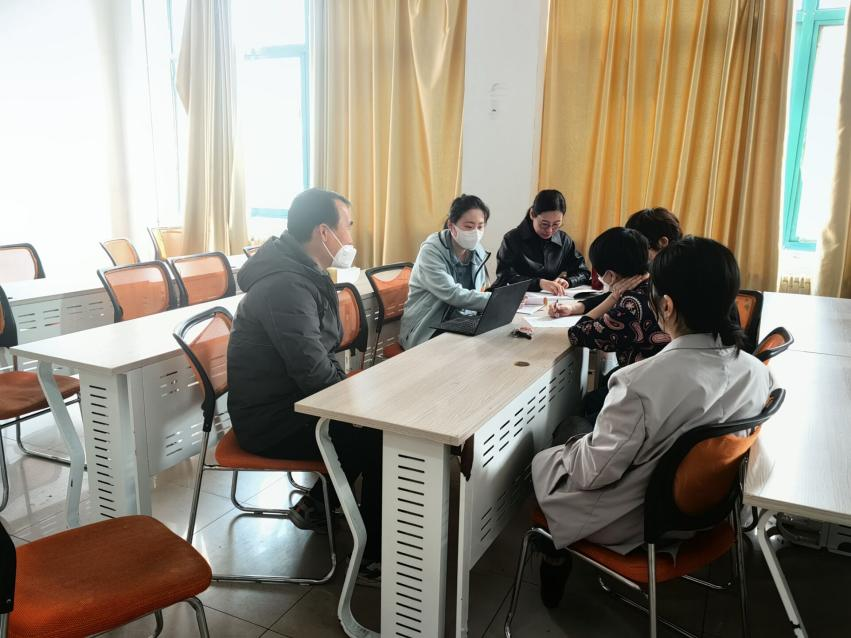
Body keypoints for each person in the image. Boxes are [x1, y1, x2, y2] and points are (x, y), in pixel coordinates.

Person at [531, 236, 774, 607]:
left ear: (667, 305)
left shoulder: (639, 382)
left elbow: (593, 474)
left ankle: (553, 550)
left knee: (558, 443)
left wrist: (566, 450)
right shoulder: (757, 372)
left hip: (639, 521)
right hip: (710, 514)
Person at [226, 188, 382, 586]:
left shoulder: (304, 273)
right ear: (322, 232)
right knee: (378, 437)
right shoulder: (285, 286)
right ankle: (375, 556)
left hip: (291, 402)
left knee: (373, 424)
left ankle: (317, 504)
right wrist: (359, 406)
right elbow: (313, 372)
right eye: (347, 227)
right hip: (269, 420)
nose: (350, 238)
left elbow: (318, 359)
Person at [399, 194, 492, 349]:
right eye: (469, 226)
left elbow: (481, 289)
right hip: (426, 329)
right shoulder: (431, 251)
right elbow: (453, 294)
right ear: (451, 225)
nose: (475, 232)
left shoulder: (477, 251)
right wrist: (494, 301)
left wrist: (503, 298)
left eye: (480, 227)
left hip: (460, 323)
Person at [493, 189, 591, 295]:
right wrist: (539, 283)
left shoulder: (563, 240)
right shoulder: (512, 239)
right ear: (532, 214)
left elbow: (583, 272)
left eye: (556, 225)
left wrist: (568, 281)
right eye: (544, 224)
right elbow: (504, 277)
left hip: (550, 299)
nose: (549, 230)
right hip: (517, 299)